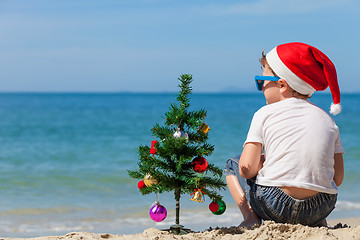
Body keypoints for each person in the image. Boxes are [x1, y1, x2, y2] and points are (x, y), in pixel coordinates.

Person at [224, 42, 344, 228]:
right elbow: (337, 178)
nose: (261, 86)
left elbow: (246, 170)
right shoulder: (328, 120)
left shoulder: (264, 113)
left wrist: (263, 162)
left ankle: (250, 218)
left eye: (261, 81)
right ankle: (318, 222)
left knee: (233, 163)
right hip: (321, 207)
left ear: (281, 85)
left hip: (274, 205)